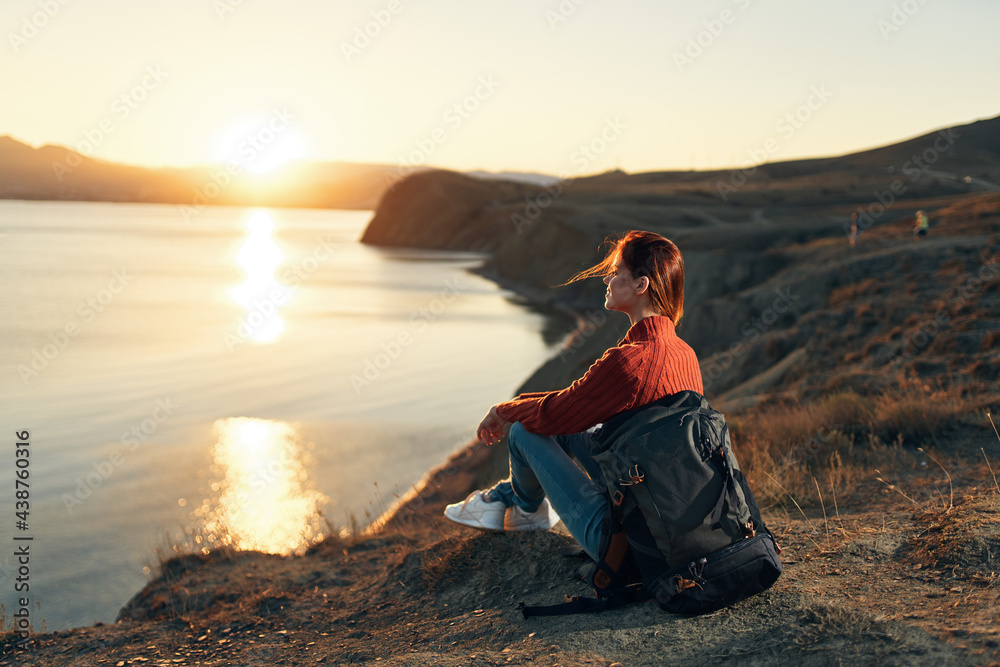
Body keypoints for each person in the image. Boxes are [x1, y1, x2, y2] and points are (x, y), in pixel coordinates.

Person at [443, 230, 704, 560]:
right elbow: (574, 402)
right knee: (575, 427)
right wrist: (513, 407)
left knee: (524, 431)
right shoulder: (684, 354)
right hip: (668, 525)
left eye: (616, 271)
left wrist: (504, 412)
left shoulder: (630, 360)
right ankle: (511, 496)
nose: (607, 279)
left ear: (641, 285)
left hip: (625, 546)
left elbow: (554, 414)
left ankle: (526, 510)